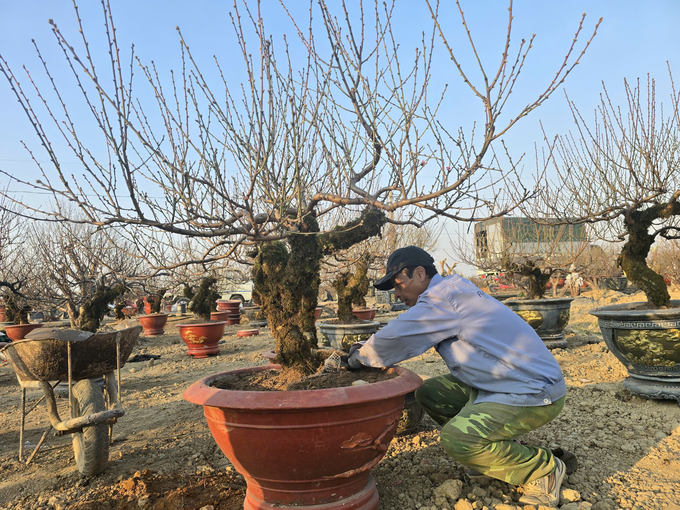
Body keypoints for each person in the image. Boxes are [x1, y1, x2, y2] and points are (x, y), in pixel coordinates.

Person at [343, 246, 567, 507]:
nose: (397, 292)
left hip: (530, 389)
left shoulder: (443, 299)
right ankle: (499, 450)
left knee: (457, 440)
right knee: (429, 393)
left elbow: (397, 336)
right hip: (502, 381)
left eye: (398, 283)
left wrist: (358, 357)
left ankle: (543, 469)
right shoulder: (450, 290)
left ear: (419, 273)